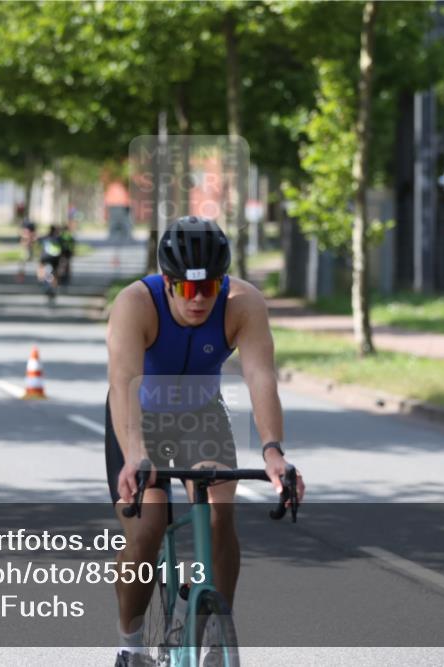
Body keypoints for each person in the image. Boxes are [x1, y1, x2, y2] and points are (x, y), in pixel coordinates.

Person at [105, 216, 304, 666]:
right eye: (187, 289)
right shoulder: (136, 304)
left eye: (209, 288)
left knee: (220, 515)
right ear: (168, 283)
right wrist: (136, 456)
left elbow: (261, 379)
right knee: (148, 528)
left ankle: (215, 630)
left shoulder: (242, 303)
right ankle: (129, 647)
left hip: (201, 418)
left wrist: (274, 452)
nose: (199, 300)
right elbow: (123, 384)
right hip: (139, 420)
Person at [37, 224, 63, 297]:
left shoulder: (45, 237)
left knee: (41, 266)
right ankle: (54, 287)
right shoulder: (59, 238)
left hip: (45, 257)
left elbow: (37, 241)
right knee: (55, 273)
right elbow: (63, 249)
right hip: (56, 258)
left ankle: (41, 279)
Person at [17, 215, 37, 283]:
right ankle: (21, 276)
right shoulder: (30, 228)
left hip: (27, 246)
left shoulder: (26, 229)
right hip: (26, 246)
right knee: (23, 261)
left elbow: (23, 237)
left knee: (23, 261)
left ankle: (22, 275)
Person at [57, 223, 75, 287]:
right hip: (68, 252)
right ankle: (68, 278)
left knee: (61, 265)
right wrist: (73, 251)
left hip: (62, 252)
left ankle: (60, 278)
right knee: (68, 265)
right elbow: (73, 244)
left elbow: (58, 243)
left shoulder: (61, 235)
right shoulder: (69, 236)